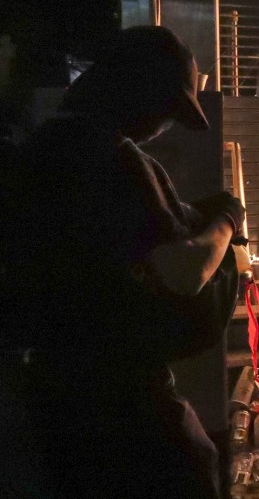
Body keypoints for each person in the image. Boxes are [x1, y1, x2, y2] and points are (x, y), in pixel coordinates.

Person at [0, 26, 245, 498]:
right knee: (193, 467)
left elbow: (122, 235)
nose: (166, 125)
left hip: (52, 384)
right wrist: (227, 222)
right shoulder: (111, 157)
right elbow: (186, 271)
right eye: (170, 110)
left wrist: (188, 212)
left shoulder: (50, 147)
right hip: (115, 393)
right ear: (142, 92)